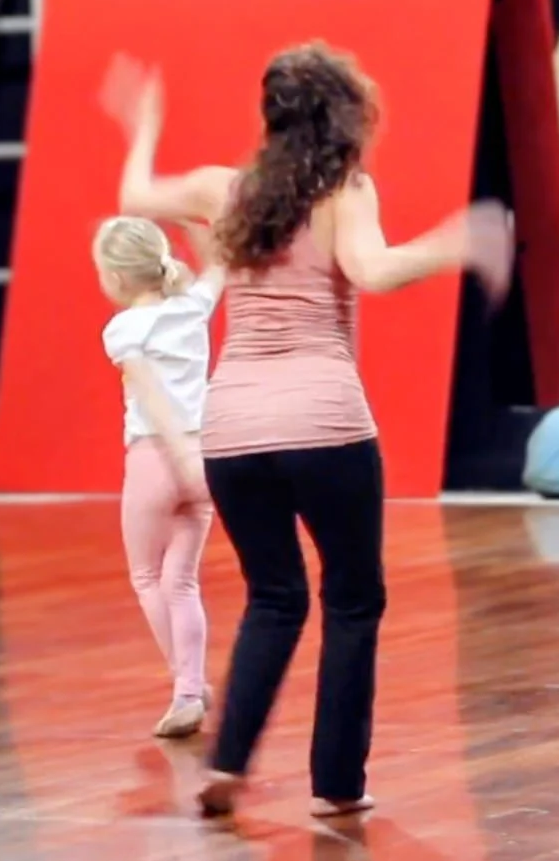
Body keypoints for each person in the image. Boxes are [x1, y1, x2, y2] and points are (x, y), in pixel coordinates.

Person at [104, 42, 512, 817]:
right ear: (343, 116)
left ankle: (228, 762)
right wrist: (456, 244)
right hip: (324, 425)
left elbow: (134, 194)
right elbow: (374, 271)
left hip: (231, 431)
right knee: (352, 599)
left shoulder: (226, 189)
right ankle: (336, 785)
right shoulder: (343, 190)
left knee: (273, 596)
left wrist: (144, 124)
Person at [93, 213, 224, 736]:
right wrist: (192, 222)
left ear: (116, 277)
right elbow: (220, 265)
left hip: (156, 456)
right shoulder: (192, 308)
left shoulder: (124, 328)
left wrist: (176, 453)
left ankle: (187, 686)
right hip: (206, 454)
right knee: (182, 580)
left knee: (147, 577)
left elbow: (149, 394)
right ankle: (191, 685)